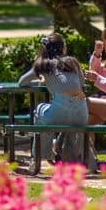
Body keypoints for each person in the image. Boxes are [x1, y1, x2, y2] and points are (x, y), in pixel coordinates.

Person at [18, 33, 88, 163]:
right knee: (70, 125)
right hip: (81, 113)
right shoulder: (72, 62)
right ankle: (68, 156)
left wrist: (42, 79)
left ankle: (41, 156)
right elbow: (81, 84)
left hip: (59, 113)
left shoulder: (44, 65)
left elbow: (22, 82)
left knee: (39, 110)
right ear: (62, 48)